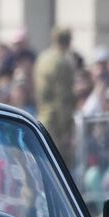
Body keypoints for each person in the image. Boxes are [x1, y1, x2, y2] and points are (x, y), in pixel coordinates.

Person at [34, 26, 76, 165]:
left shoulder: (43, 58)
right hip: (56, 123)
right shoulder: (62, 62)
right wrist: (65, 128)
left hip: (43, 116)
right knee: (60, 168)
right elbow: (62, 98)